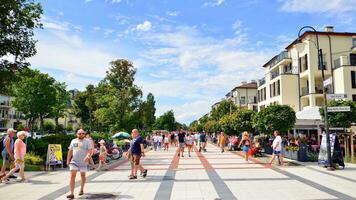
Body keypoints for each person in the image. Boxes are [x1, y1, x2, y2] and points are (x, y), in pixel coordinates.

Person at [66, 129, 93, 199]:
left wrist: (88, 156)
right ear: (76, 134)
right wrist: (68, 160)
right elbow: (70, 151)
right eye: (79, 133)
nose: (81, 134)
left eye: (82, 133)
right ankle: (71, 193)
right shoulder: (73, 141)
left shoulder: (87, 141)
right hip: (74, 161)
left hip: (83, 162)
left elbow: (90, 150)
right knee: (72, 175)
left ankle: (81, 189)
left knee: (83, 175)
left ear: (84, 134)